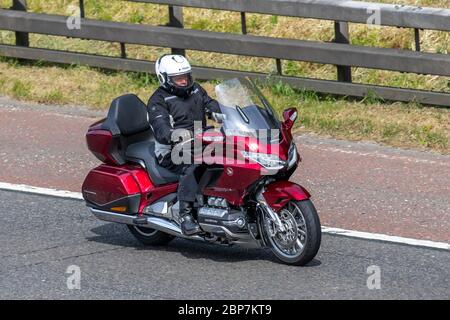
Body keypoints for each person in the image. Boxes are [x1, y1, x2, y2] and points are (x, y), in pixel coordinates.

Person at [147, 54, 222, 236]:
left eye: (186, 76)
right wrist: (179, 135)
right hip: (171, 151)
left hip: (201, 142)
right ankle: (185, 215)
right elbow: (162, 131)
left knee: (233, 155)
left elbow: (211, 105)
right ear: (164, 78)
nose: (183, 81)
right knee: (195, 163)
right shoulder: (158, 101)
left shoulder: (195, 90)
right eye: (177, 78)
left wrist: (228, 112)